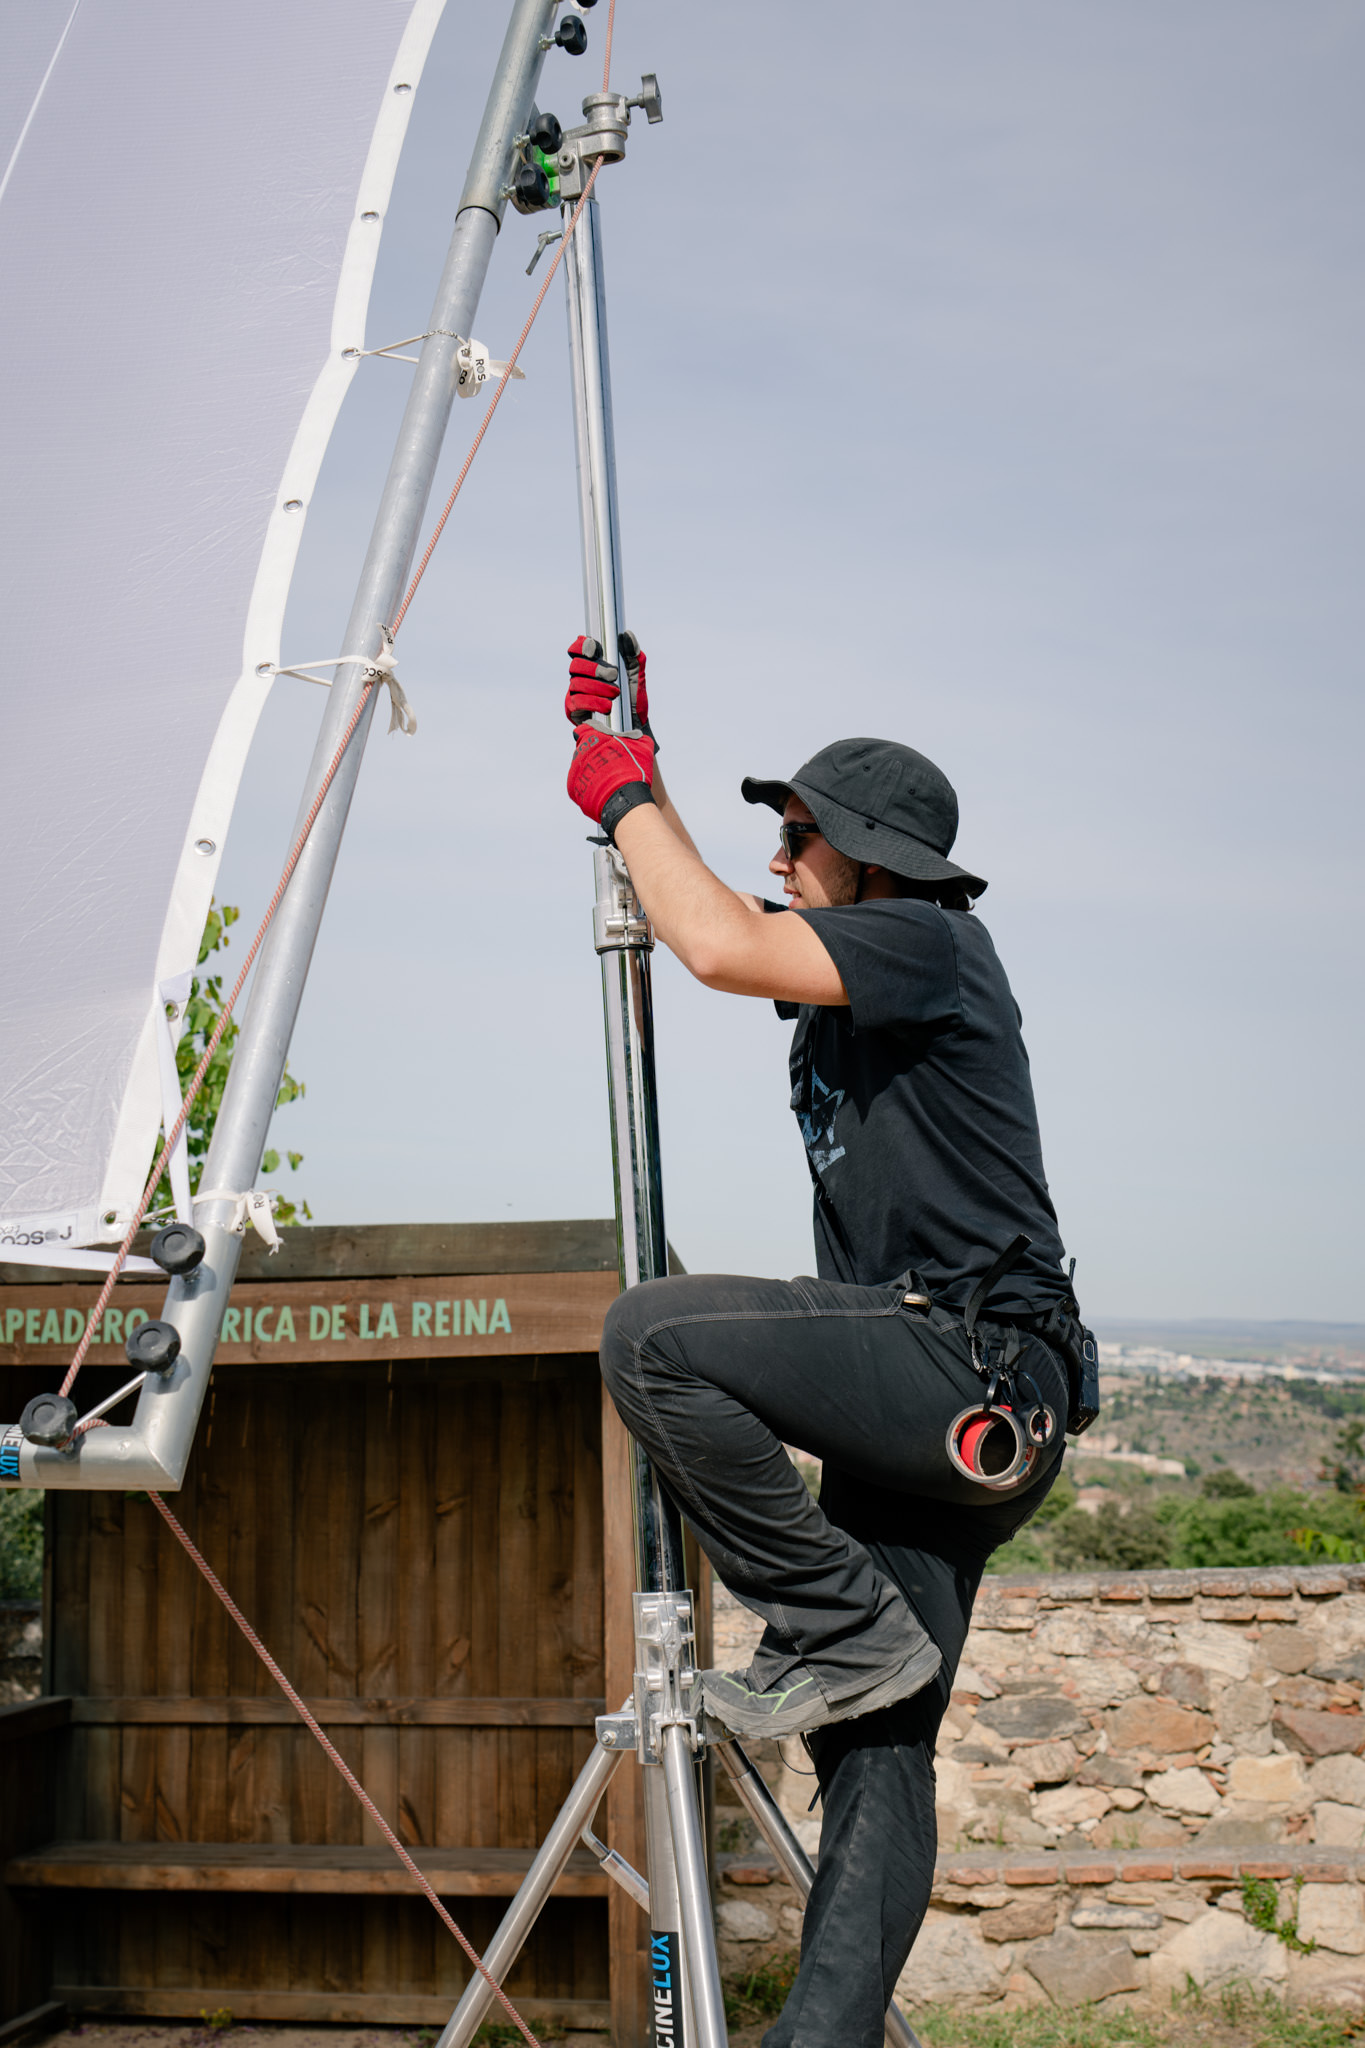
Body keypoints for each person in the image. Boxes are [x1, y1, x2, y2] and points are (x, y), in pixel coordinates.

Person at [561, 636, 1095, 2047]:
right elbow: (724, 917)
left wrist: (616, 795)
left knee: (655, 1339)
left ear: (866, 860)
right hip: (963, 1396)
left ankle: (835, 1619)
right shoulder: (867, 961)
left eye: (799, 836)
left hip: (964, 1363)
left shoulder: (928, 943)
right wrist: (643, 763)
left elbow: (716, 941)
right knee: (873, 1743)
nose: (780, 852)